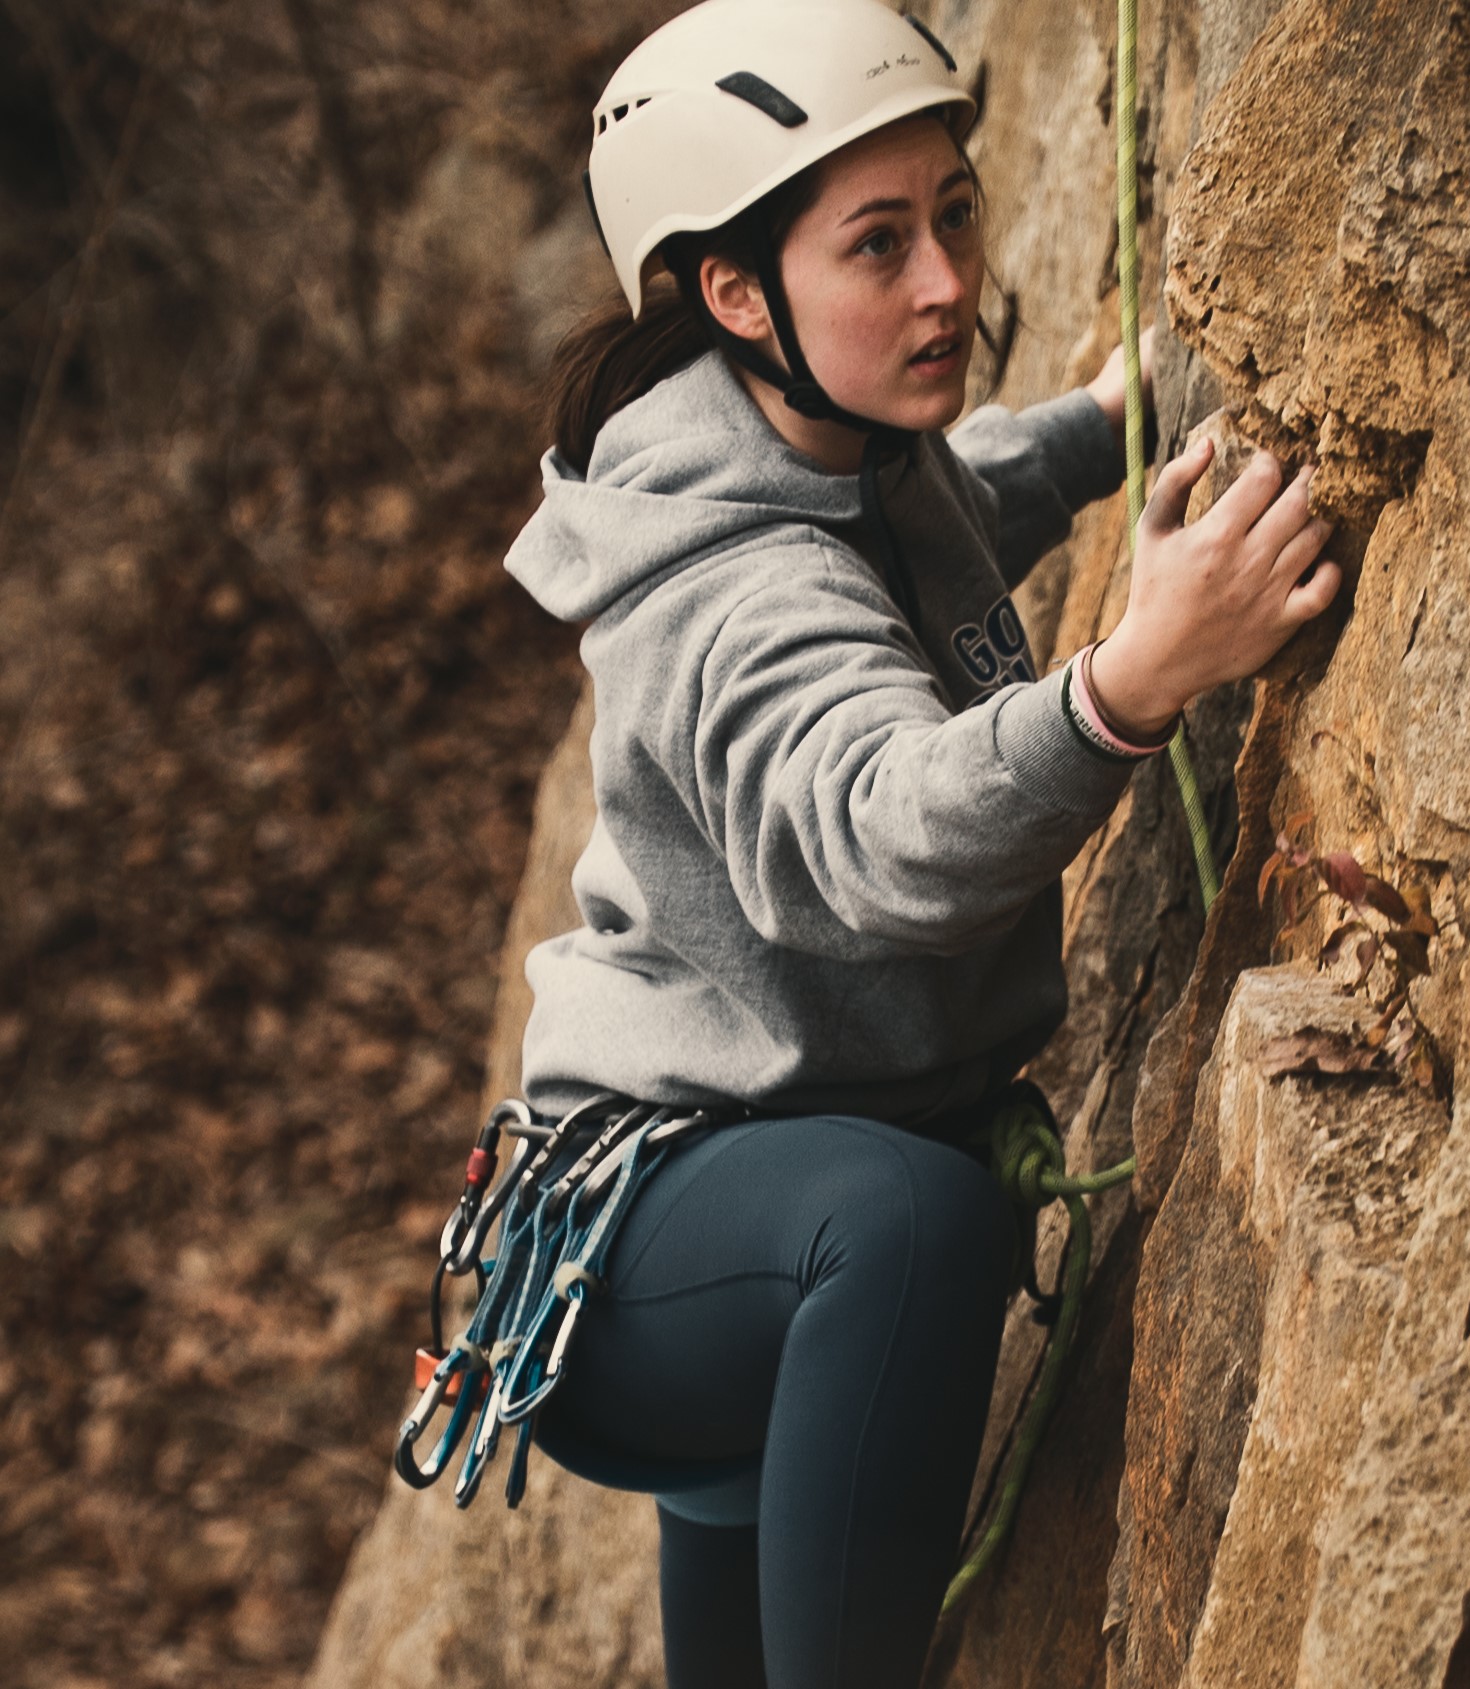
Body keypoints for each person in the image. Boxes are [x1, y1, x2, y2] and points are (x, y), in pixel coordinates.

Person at [501, 2, 1340, 1685]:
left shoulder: (827, 440)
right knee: (910, 1219)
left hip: (764, 1190)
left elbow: (958, 494)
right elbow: (882, 835)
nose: (947, 279)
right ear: (737, 294)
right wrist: (1133, 679)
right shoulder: (726, 594)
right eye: (875, 244)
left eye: (954, 210)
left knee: (884, 1216)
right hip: (678, 1236)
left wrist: (1112, 422)